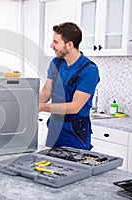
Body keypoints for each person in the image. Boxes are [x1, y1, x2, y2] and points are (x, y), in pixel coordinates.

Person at [39, 22, 100, 150]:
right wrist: (27, 105)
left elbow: (75, 107)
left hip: (75, 133)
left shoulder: (89, 70)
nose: (51, 46)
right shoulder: (56, 63)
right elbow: (46, 92)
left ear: (69, 45)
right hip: (55, 129)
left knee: (75, 168)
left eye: (56, 42)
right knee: (49, 166)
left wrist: (43, 107)